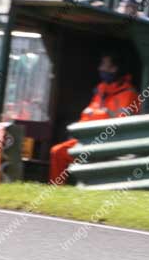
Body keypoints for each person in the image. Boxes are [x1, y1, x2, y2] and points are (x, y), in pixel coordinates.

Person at [49, 53, 140, 184]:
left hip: (107, 144)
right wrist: (77, 134)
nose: (100, 68)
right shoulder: (100, 90)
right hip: (86, 140)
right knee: (57, 152)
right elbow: (89, 115)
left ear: (114, 69)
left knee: (62, 153)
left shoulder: (128, 94)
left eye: (104, 65)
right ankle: (56, 190)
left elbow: (120, 126)